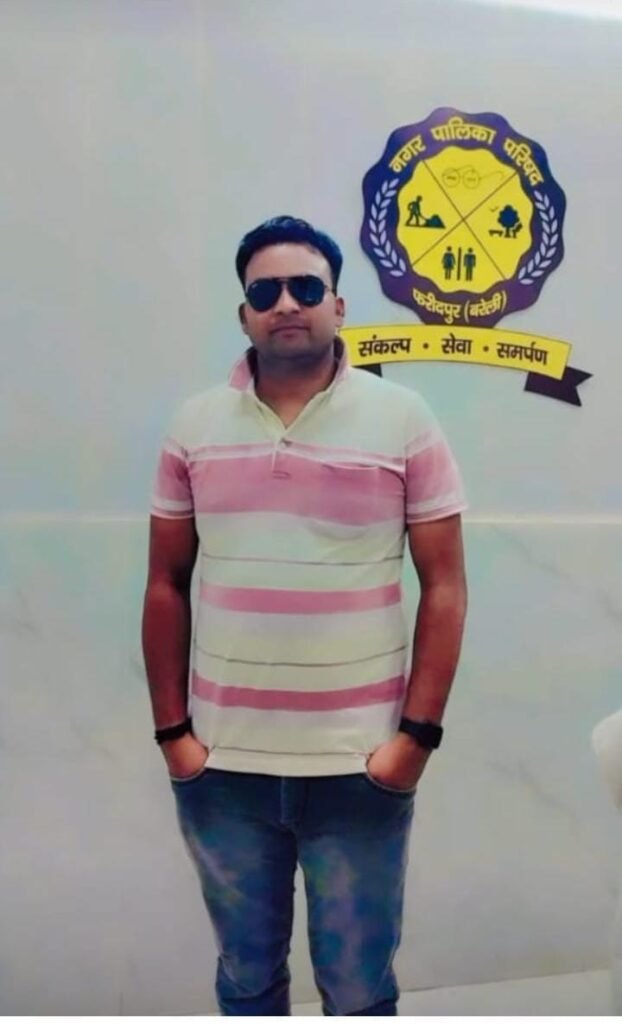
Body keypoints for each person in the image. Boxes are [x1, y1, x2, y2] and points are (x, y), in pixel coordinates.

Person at [142, 215, 468, 1016]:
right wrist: (175, 737)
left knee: (358, 990)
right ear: (244, 314)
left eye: (305, 287)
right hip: (223, 771)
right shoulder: (193, 426)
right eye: (265, 292)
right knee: (247, 981)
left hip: (360, 768)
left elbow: (446, 586)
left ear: (339, 304)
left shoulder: (404, 419)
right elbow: (165, 584)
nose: (286, 303)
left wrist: (413, 742)